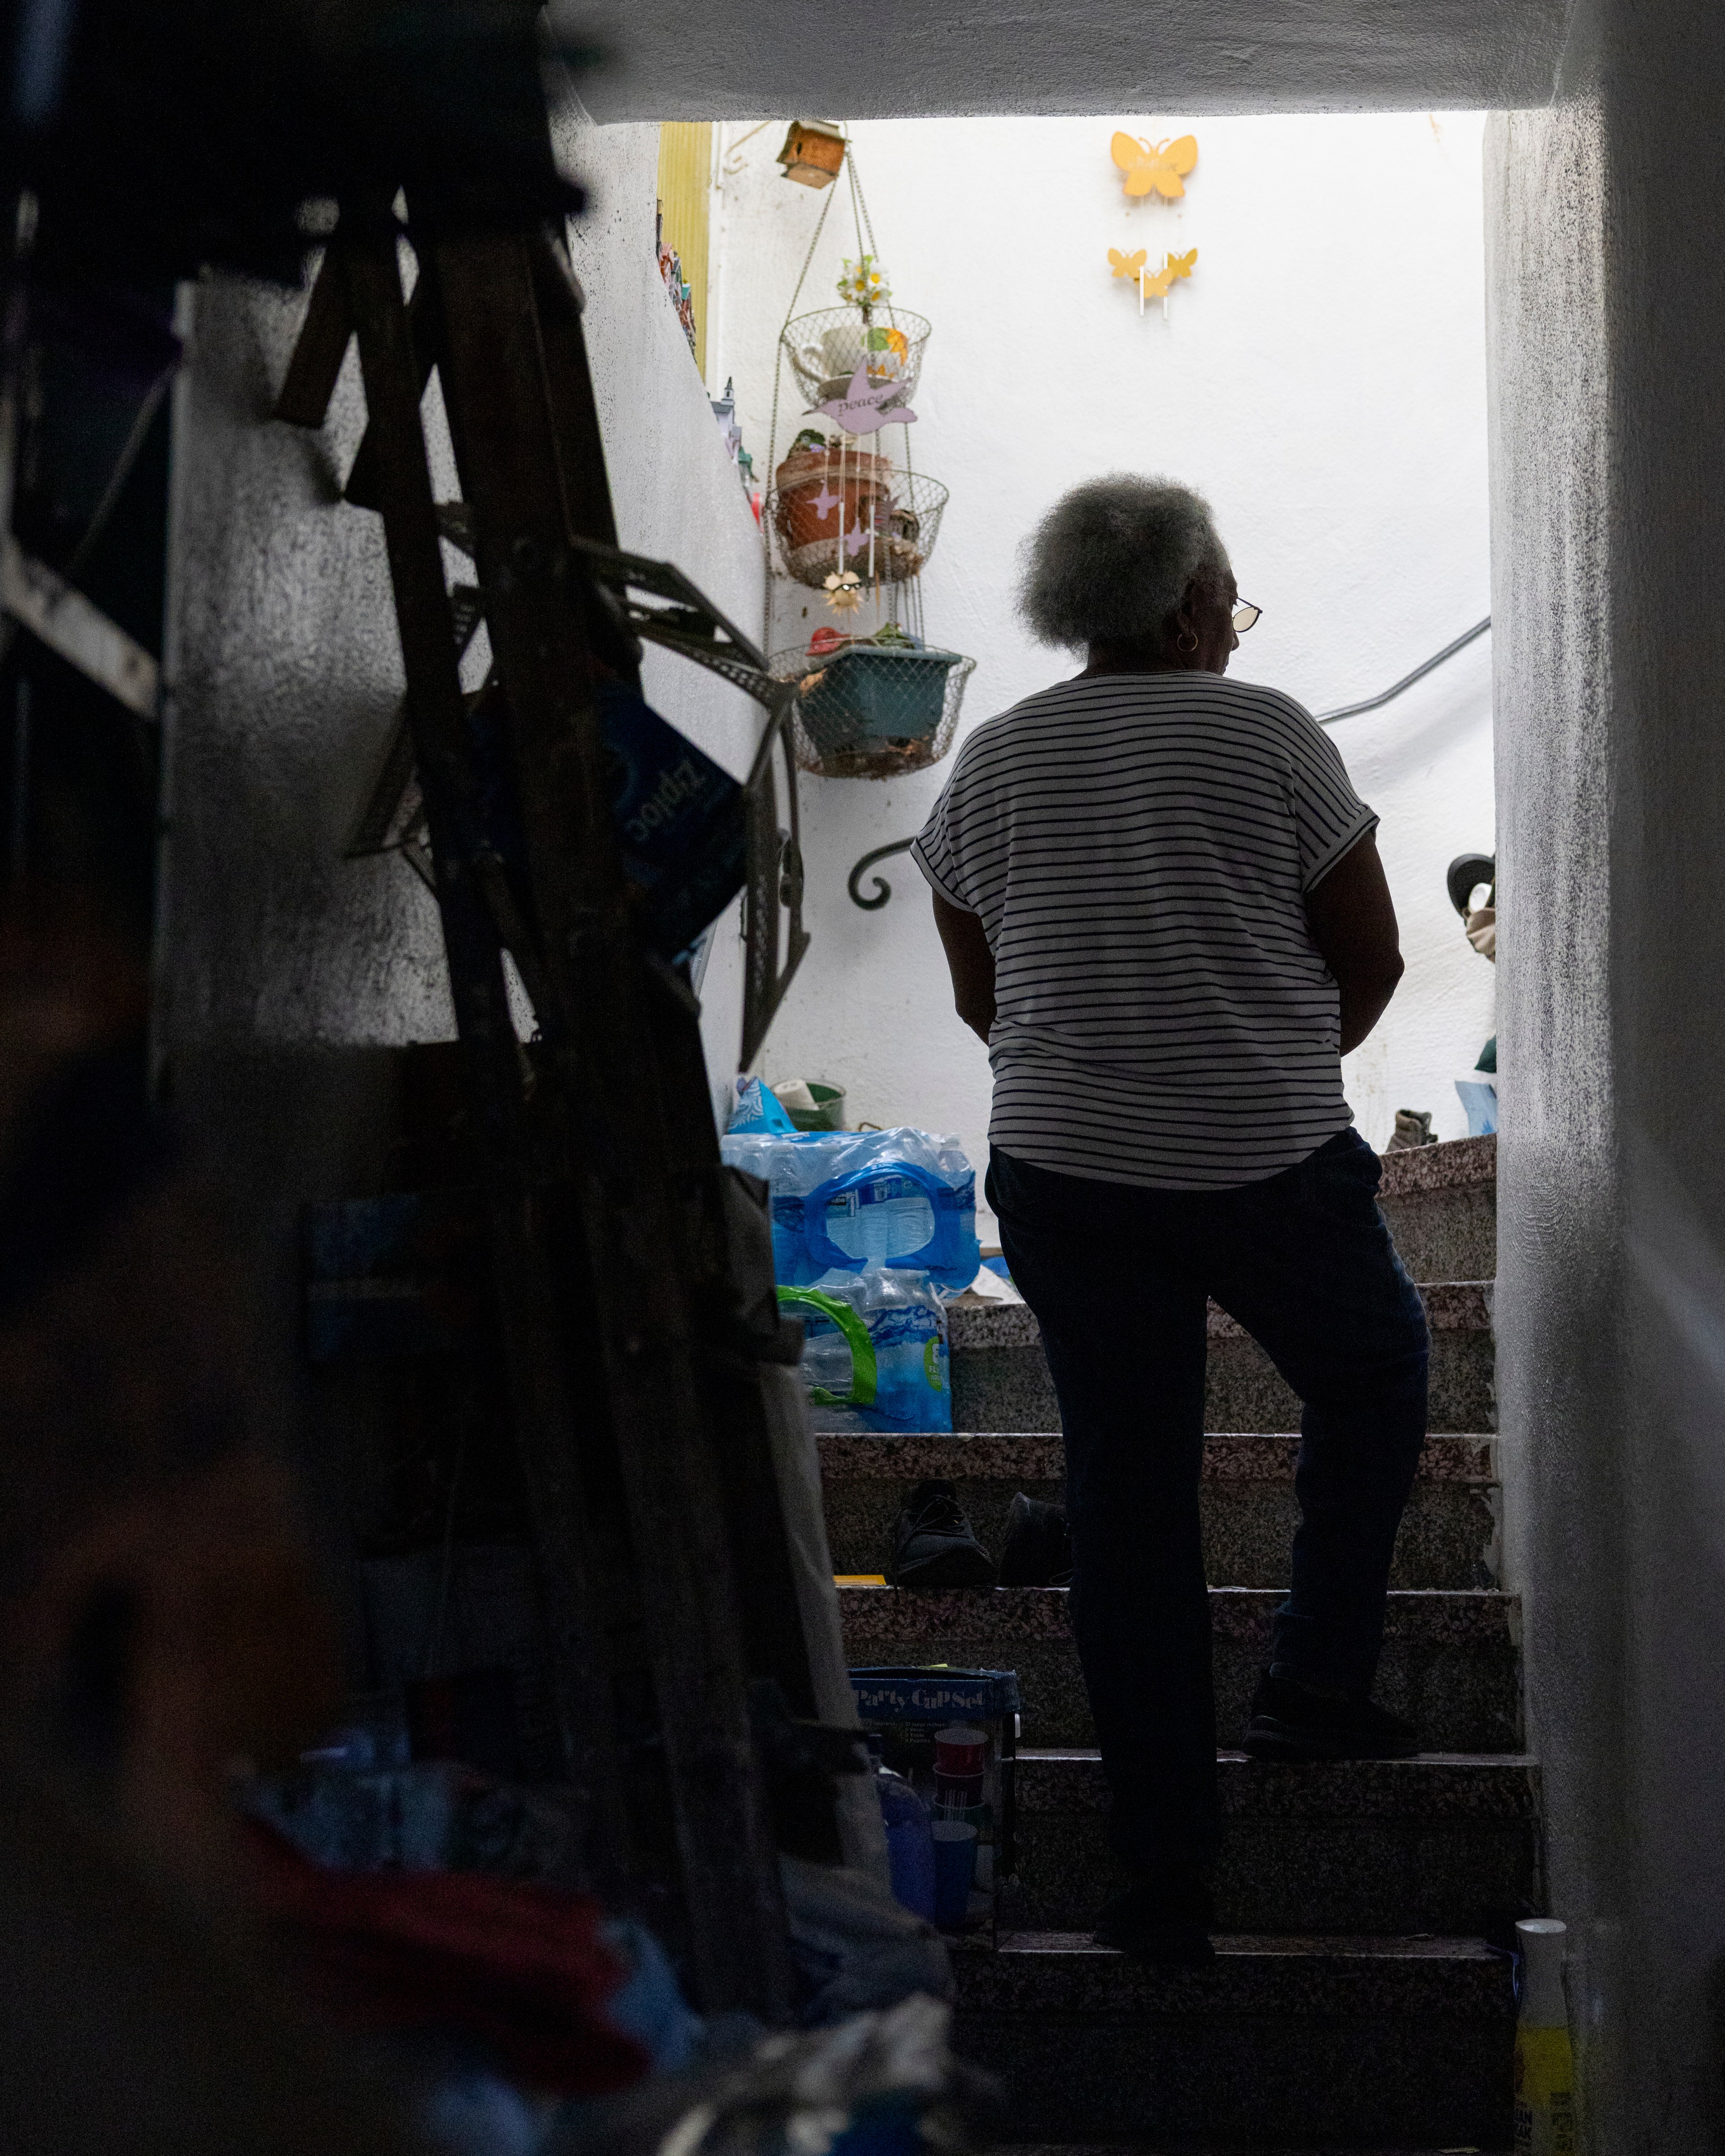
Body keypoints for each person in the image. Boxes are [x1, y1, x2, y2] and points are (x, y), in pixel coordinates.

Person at [912, 476, 1428, 1964]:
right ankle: (1314, 1687)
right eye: (1231, 598)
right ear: (1197, 602)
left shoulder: (999, 760)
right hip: (1271, 1159)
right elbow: (1375, 955)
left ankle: (1163, 1879)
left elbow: (979, 989)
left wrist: (1103, 1068)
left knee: (1129, 1503)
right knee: (1379, 1373)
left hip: (1068, 1172)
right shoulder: (1265, 729)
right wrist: (1254, 1062)